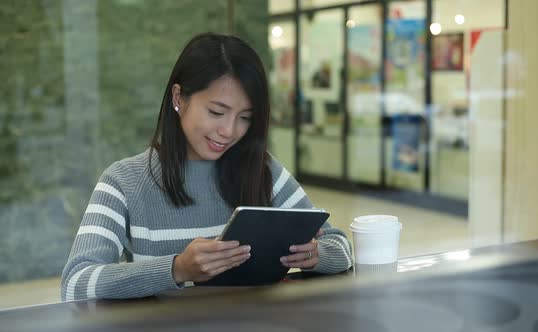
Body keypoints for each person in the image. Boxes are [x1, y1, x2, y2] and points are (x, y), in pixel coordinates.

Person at [61, 32, 353, 301]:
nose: (229, 130)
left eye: (245, 117)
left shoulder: (264, 172)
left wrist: (315, 255)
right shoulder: (123, 181)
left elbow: (341, 247)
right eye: (216, 112)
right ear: (179, 98)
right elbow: (76, 282)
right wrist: (177, 269)